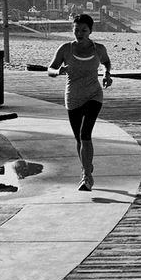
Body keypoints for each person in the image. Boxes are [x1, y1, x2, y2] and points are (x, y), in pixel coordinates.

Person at [48, 14, 112, 191]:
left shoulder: (98, 48)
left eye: (84, 30)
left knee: (85, 134)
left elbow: (106, 62)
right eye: (76, 30)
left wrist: (107, 74)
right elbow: (50, 69)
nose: (80, 33)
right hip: (73, 96)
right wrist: (58, 72)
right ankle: (87, 166)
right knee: (78, 139)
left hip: (94, 95)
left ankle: (86, 176)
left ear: (90, 31)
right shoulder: (65, 49)